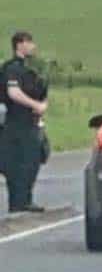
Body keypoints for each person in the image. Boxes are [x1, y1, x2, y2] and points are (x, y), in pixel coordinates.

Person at [1, 31, 47, 213]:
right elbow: (13, 93)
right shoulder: (11, 68)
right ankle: (19, 203)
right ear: (20, 45)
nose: (32, 46)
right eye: (29, 42)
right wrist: (35, 104)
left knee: (33, 159)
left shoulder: (28, 70)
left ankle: (25, 200)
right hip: (15, 123)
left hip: (30, 121)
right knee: (19, 162)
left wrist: (42, 104)